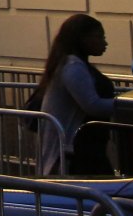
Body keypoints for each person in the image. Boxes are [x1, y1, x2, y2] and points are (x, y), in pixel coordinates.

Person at [36, 14, 115, 176]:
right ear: (82, 39)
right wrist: (129, 105)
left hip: (83, 148)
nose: (105, 42)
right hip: (73, 153)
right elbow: (93, 105)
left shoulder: (73, 64)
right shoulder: (72, 66)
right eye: (99, 37)